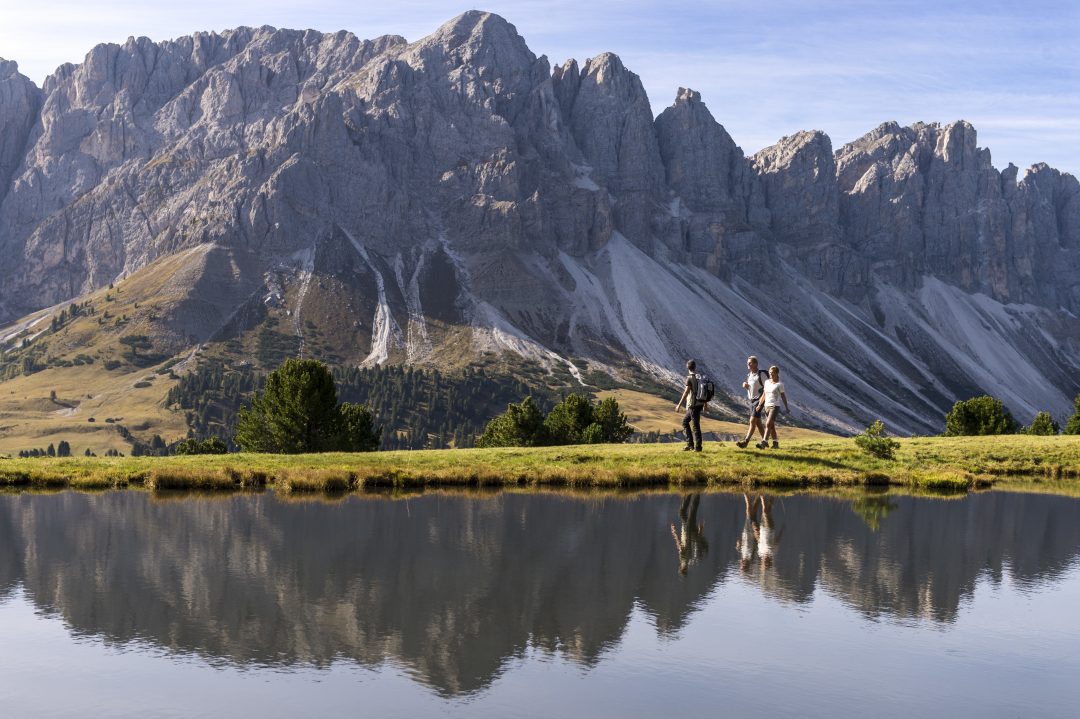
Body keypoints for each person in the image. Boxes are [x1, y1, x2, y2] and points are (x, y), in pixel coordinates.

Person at [670, 493, 709, 575]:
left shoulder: (691, 560)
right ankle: (694, 493)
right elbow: (679, 544)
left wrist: (700, 531)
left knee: (683, 513)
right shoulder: (684, 559)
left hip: (692, 531)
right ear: (681, 567)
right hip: (688, 530)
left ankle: (690, 494)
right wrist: (674, 532)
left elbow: (695, 543)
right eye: (680, 567)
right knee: (691, 511)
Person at [736, 356, 769, 449]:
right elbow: (750, 386)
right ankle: (765, 442)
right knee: (758, 422)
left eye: (750, 363)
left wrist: (761, 402)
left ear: (755, 364)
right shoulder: (749, 375)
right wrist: (745, 385)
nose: (748, 364)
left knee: (752, 420)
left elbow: (767, 388)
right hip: (752, 400)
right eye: (748, 362)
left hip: (759, 399)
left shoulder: (761, 374)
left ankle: (745, 442)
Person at [755, 365, 790, 449]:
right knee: (771, 426)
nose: (771, 375)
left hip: (775, 406)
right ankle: (775, 443)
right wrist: (760, 405)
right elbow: (764, 394)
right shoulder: (767, 382)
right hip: (766, 405)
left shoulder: (780, 384)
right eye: (770, 373)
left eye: (773, 373)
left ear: (777, 373)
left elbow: (783, 396)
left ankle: (764, 442)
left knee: (768, 424)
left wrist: (786, 407)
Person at [674, 359, 705, 452]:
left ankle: (698, 447)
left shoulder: (690, 378)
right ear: (695, 367)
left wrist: (679, 405)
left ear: (687, 367)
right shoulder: (699, 377)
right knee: (685, 422)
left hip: (693, 405)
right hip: (699, 404)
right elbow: (703, 390)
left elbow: (686, 392)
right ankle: (690, 445)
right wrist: (705, 404)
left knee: (695, 426)